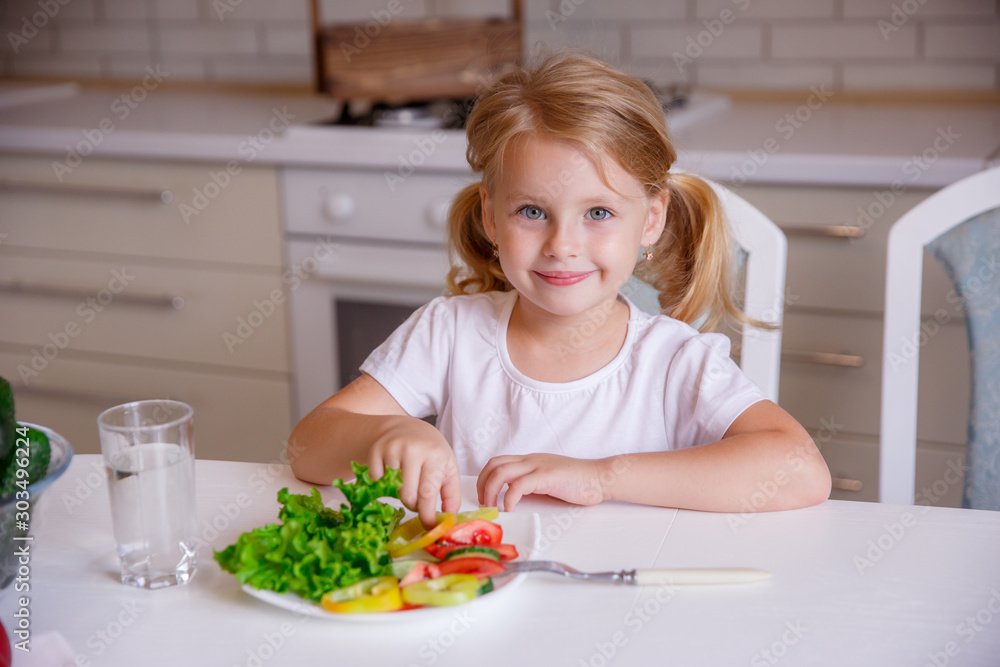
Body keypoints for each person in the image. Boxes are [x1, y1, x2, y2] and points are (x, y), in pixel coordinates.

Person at [289, 51, 831, 527]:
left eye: (598, 212)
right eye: (531, 211)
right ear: (491, 218)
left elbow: (801, 472)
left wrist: (601, 477)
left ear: (650, 220)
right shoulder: (449, 333)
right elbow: (307, 445)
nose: (561, 245)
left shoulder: (673, 360)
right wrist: (381, 437)